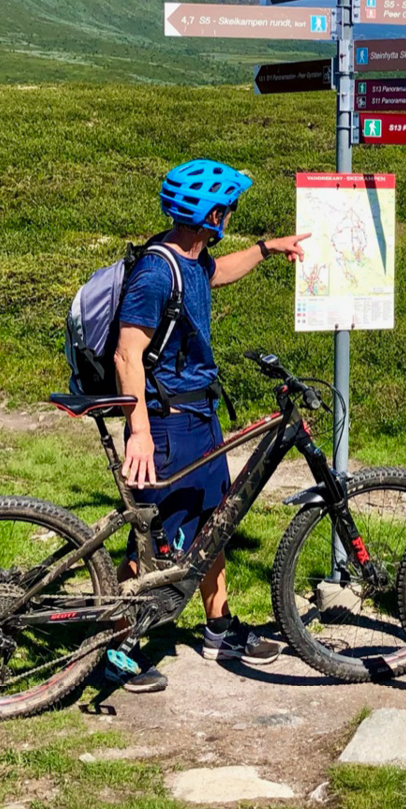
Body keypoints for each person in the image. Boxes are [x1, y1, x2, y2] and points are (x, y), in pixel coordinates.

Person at [107, 158, 310, 693]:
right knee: (156, 540)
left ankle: (219, 627)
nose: (231, 215)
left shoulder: (190, 259)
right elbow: (128, 354)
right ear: (210, 214)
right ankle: (116, 647)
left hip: (199, 414)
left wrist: (268, 249)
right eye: (228, 208)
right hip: (168, 425)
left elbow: (216, 274)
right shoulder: (156, 271)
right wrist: (141, 431)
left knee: (212, 521)